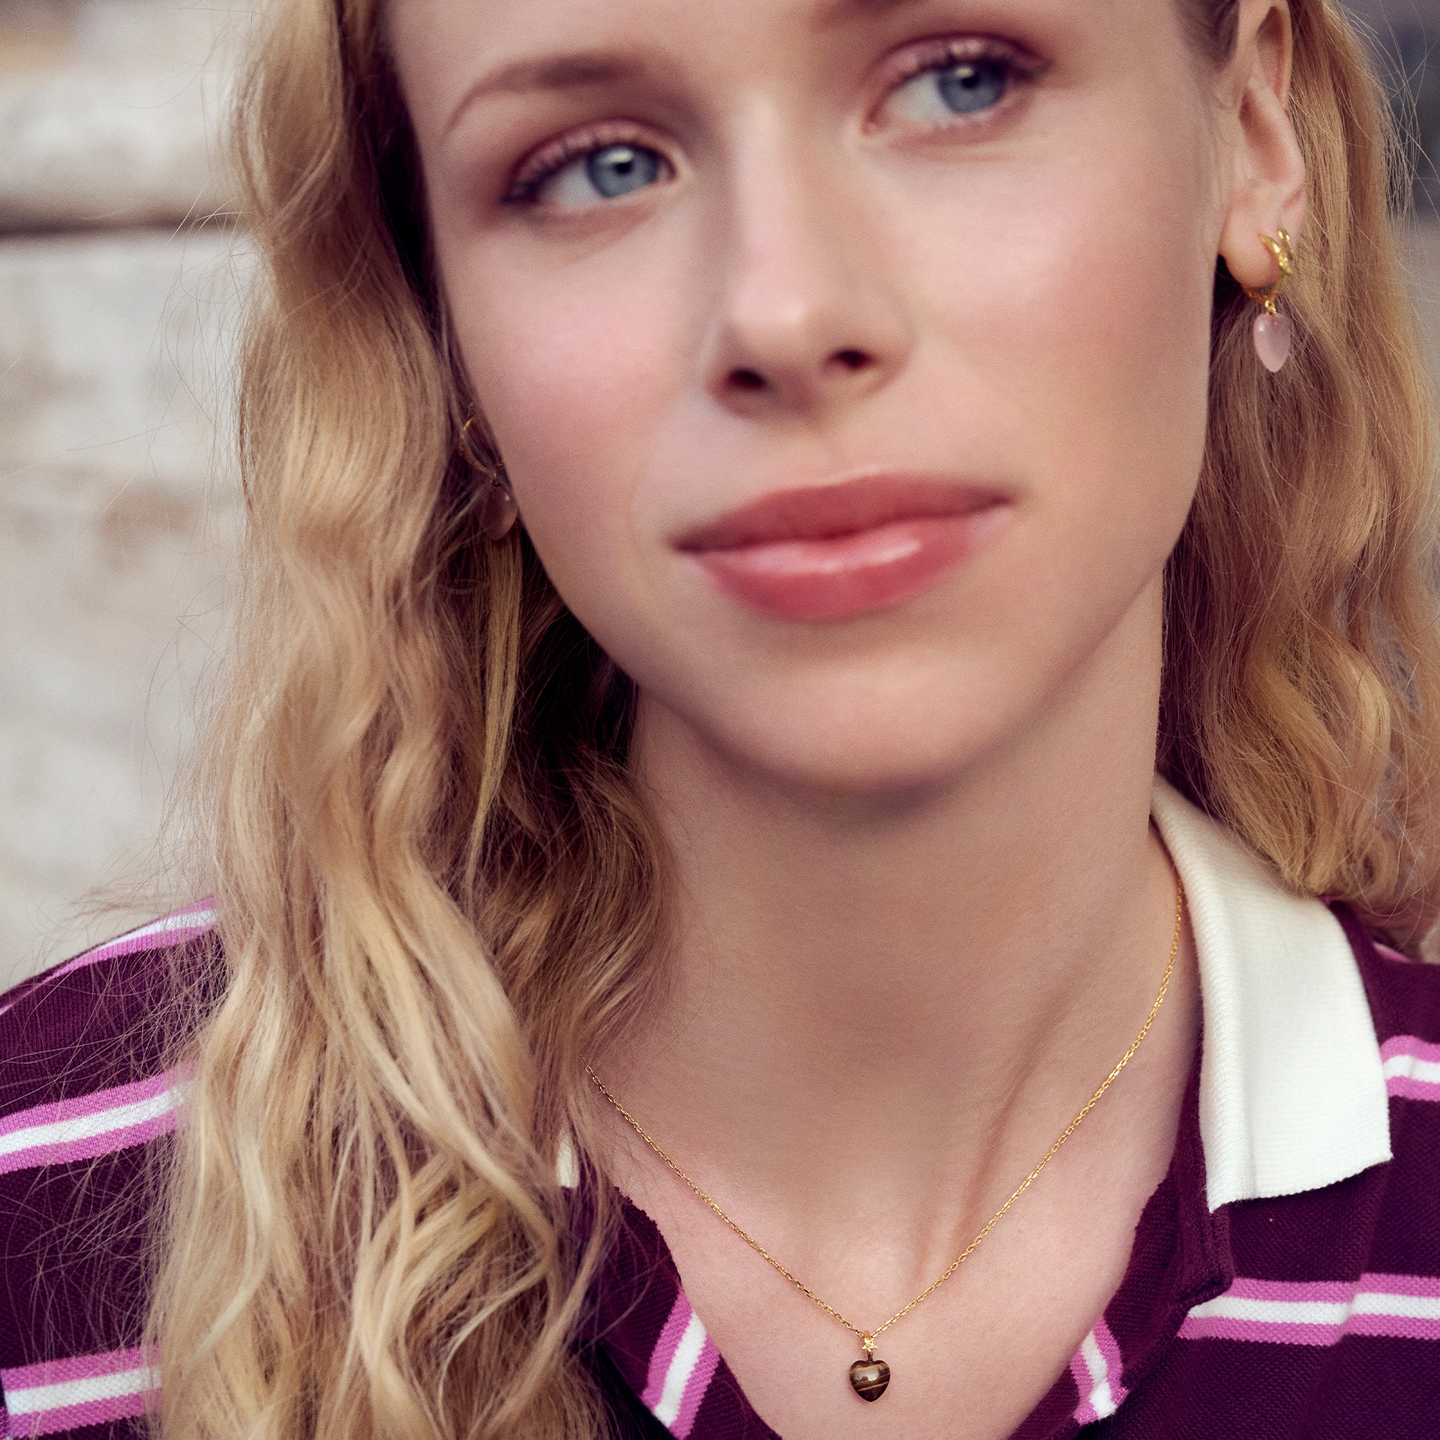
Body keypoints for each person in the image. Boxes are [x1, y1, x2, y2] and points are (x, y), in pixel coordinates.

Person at [2, 0, 1439, 1435]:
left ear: (1253, 136)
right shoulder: (37, 1197)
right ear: (448, 343)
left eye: (960, 82)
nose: (787, 316)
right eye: (597, 166)